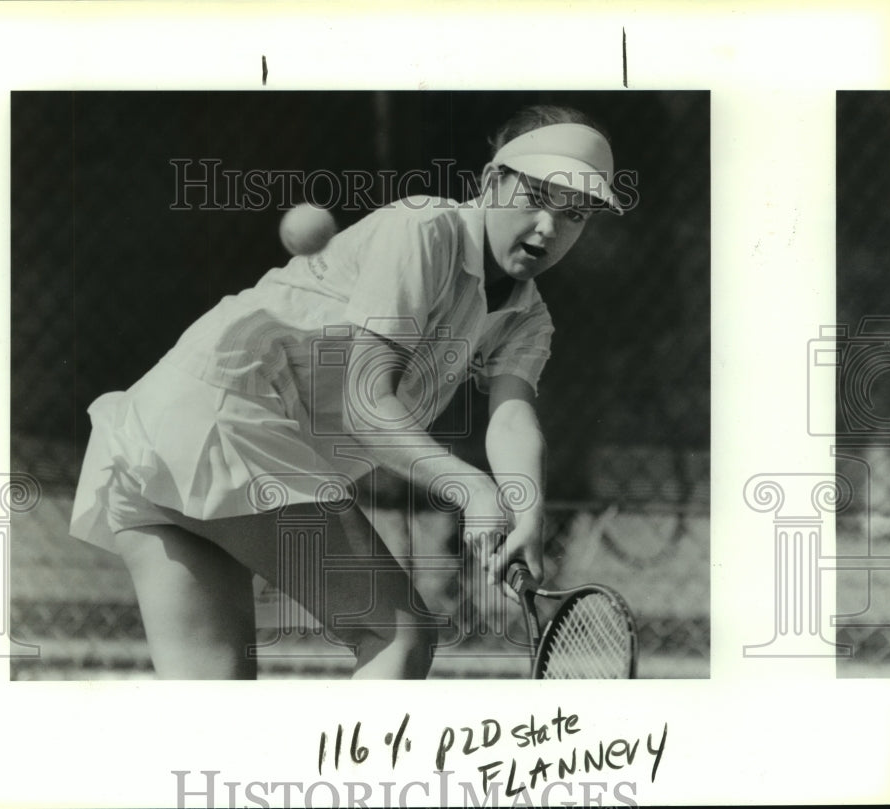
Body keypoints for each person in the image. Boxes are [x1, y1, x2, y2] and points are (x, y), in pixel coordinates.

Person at [69, 104, 624, 679]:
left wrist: (525, 513)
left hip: (159, 440)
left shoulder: (527, 318)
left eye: (576, 214)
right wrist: (473, 490)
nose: (549, 228)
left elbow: (511, 420)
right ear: (490, 182)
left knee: (215, 714)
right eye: (534, 197)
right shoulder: (425, 230)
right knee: (399, 635)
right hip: (223, 423)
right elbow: (367, 403)